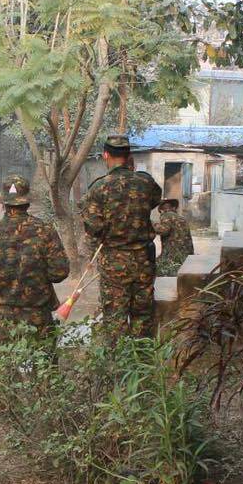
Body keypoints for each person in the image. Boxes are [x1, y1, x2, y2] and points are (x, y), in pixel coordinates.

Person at [81, 134, 162, 339]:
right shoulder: (146, 182)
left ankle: (118, 365)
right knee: (143, 313)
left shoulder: (99, 187)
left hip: (115, 262)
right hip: (144, 259)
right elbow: (154, 201)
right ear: (129, 156)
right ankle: (142, 362)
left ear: (106, 155)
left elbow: (93, 226)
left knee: (115, 316)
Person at [0, 174, 69, 343]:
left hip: (1, 320)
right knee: (43, 367)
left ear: (3, 203)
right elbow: (59, 272)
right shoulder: (45, 231)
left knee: (7, 368)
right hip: (38, 316)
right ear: (27, 202)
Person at [154, 198, 195, 277]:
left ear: (161, 210)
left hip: (173, 256)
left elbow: (163, 231)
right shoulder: (181, 217)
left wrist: (151, 223)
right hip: (186, 255)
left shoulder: (167, 215)